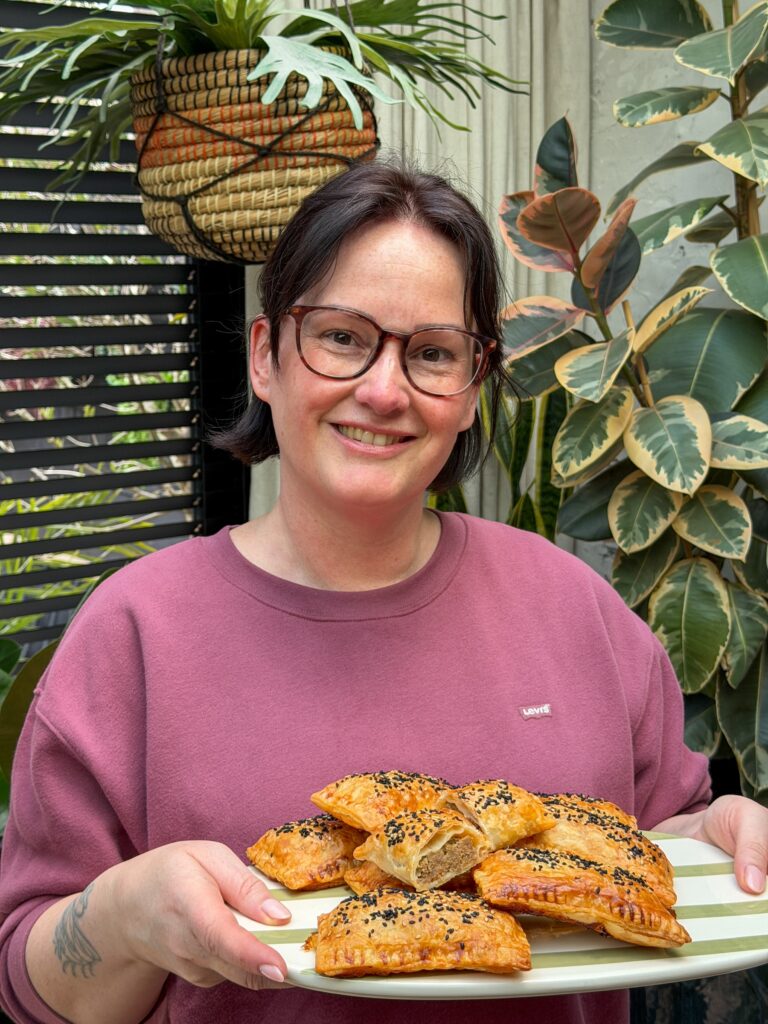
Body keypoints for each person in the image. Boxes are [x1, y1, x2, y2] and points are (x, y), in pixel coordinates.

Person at [0, 160, 765, 1024]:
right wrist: (123, 920)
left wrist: (718, 838)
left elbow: (658, 850)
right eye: (341, 336)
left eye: (433, 352)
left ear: (474, 389)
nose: (384, 389)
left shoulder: (574, 607)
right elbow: (33, 985)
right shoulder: (134, 633)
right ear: (264, 356)